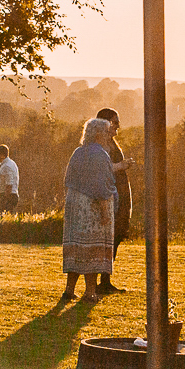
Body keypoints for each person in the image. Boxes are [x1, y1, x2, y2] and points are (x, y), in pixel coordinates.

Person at [60, 118, 119, 304]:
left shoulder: (78, 152)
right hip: (91, 207)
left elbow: (68, 178)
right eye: (108, 131)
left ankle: (69, 290)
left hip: (74, 204)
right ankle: (90, 292)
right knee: (92, 248)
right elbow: (101, 186)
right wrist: (104, 213)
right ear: (99, 134)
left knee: (77, 247)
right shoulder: (100, 154)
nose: (111, 135)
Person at [95, 108, 132, 295]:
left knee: (115, 237)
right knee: (107, 238)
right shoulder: (101, 145)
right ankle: (102, 280)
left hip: (120, 194)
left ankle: (106, 278)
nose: (118, 125)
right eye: (115, 122)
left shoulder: (111, 143)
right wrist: (121, 166)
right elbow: (101, 169)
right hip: (111, 195)